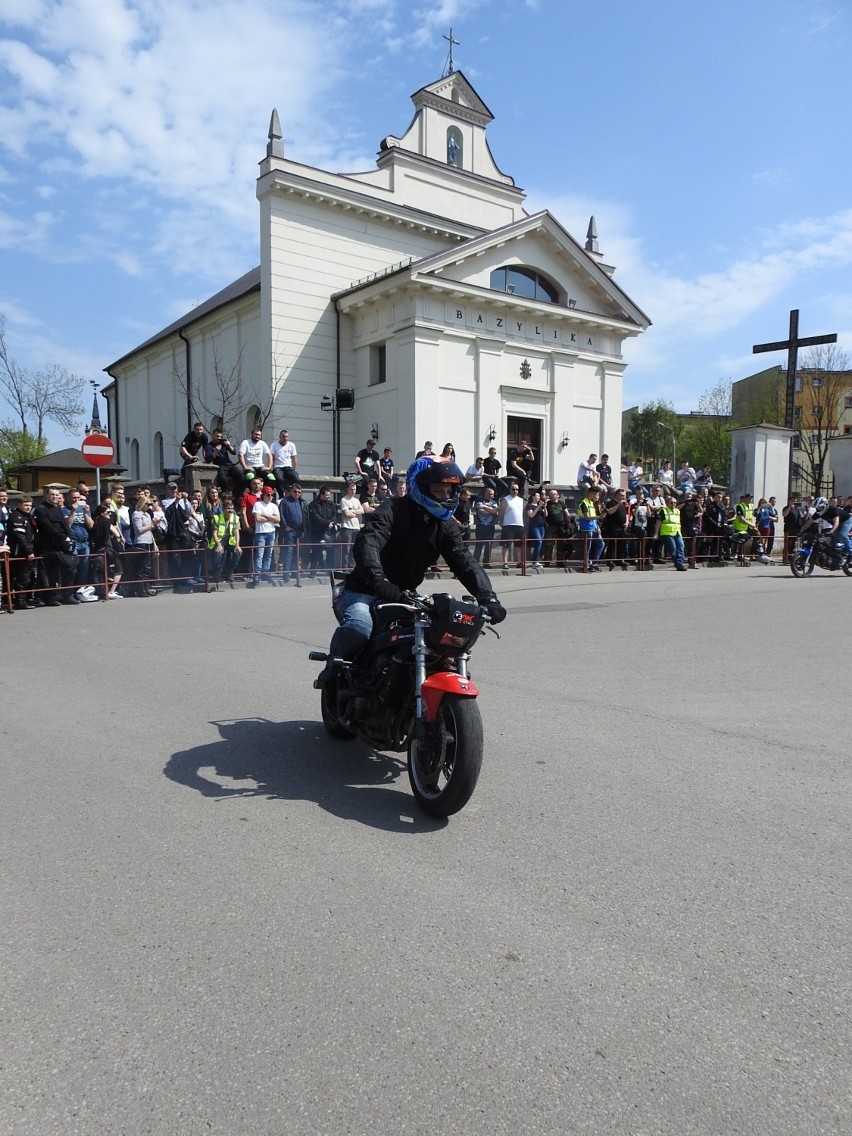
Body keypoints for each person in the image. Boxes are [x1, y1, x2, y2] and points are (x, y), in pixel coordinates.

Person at [314, 458, 506, 689]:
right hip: (365, 590)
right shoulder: (392, 509)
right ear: (421, 488)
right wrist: (378, 579)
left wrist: (488, 597)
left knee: (435, 641)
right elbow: (369, 542)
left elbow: (464, 560)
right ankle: (334, 669)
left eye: (449, 490)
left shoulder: (444, 525)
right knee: (360, 627)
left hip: (404, 596)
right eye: (438, 490)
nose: (445, 496)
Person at [208, 495, 241, 586]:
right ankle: (216, 574)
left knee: (237, 552)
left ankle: (229, 572)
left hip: (230, 541)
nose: (230, 510)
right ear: (223, 509)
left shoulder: (235, 518)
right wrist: (218, 545)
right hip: (219, 541)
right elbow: (214, 533)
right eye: (228, 508)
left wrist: (237, 545)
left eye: (232, 509)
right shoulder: (217, 518)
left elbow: (236, 533)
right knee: (219, 554)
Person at [250, 484, 280, 586]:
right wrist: (272, 518)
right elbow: (258, 519)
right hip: (261, 533)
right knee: (260, 554)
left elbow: (278, 519)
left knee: (269, 553)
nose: (270, 497)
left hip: (271, 531)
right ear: (263, 495)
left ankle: (265, 572)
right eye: (268, 495)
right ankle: (257, 574)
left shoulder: (274, 506)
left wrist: (266, 515)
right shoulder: (258, 505)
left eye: (271, 495)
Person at [278, 482, 308, 583]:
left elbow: (305, 515)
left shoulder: (302, 502)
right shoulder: (285, 501)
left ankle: (295, 573)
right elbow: (281, 515)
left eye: (299, 492)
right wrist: (285, 526)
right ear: (290, 491)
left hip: (300, 530)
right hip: (290, 531)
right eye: (295, 491)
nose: (297, 493)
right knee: (288, 552)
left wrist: (304, 527)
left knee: (297, 553)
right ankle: (286, 574)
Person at [307, 486, 338, 576]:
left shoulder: (332, 504)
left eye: (329, 495)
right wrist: (326, 523)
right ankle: (313, 571)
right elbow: (315, 517)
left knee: (331, 552)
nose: (329, 497)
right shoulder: (313, 504)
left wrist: (332, 523)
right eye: (327, 495)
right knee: (316, 551)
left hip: (329, 532)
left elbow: (335, 515)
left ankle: (330, 571)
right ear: (321, 494)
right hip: (317, 532)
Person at [577, 484, 604, 572]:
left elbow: (593, 516)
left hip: (593, 528)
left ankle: (594, 564)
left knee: (601, 543)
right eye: (595, 494)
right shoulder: (583, 503)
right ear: (590, 493)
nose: (596, 496)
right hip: (586, 528)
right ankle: (587, 565)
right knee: (587, 548)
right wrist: (599, 517)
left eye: (597, 494)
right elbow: (587, 517)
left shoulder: (592, 503)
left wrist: (597, 526)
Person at [498, 482, 525, 569]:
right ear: (510, 490)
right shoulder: (505, 499)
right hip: (508, 525)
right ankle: (505, 562)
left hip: (519, 524)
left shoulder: (521, 500)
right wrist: (500, 522)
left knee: (518, 545)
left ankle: (519, 562)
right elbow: (501, 512)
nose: (515, 491)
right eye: (513, 489)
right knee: (506, 545)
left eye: (517, 489)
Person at [204, 427, 238, 494]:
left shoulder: (223, 444)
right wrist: (216, 451)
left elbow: (234, 452)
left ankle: (237, 493)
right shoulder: (209, 446)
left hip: (229, 464)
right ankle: (225, 493)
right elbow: (208, 460)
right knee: (223, 478)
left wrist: (229, 445)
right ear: (213, 435)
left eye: (220, 436)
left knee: (240, 476)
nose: (219, 438)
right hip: (220, 464)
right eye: (217, 436)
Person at [338, 479, 364, 568]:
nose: (353, 491)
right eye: (352, 489)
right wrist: (354, 512)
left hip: (356, 527)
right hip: (347, 527)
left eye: (355, 489)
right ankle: (345, 567)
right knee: (346, 549)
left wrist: (352, 511)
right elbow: (346, 514)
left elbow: (362, 510)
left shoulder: (356, 500)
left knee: (354, 549)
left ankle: (352, 567)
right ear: (347, 489)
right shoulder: (344, 500)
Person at [659, 492, 687, 570]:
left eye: (675, 502)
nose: (673, 504)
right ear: (667, 503)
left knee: (681, 547)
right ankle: (678, 564)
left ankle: (680, 563)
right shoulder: (664, 510)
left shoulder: (677, 511)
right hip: (667, 533)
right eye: (671, 502)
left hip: (677, 532)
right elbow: (659, 522)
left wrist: (686, 502)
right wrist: (655, 533)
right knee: (673, 549)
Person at [473, 486, 499, 565]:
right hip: (480, 526)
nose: (490, 495)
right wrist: (491, 510)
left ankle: (486, 563)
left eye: (491, 494)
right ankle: (476, 562)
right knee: (479, 545)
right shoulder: (479, 500)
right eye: (488, 493)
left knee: (489, 545)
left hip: (490, 527)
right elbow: (481, 511)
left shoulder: (494, 502)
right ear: (485, 493)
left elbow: (496, 512)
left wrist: (485, 507)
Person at [271, 428, 300, 493]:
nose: (285, 438)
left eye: (286, 436)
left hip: (288, 467)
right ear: (280, 437)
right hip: (278, 467)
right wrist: (271, 468)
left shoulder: (291, 445)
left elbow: (294, 459)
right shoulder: (274, 445)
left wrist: (293, 469)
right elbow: (272, 458)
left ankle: (296, 494)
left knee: (296, 478)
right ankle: (281, 496)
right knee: (279, 479)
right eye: (283, 436)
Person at [525, 491, 546, 568]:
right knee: (539, 541)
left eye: (539, 496)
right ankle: (535, 561)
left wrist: (544, 506)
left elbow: (546, 515)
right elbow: (531, 515)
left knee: (539, 543)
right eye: (537, 496)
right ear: (533, 497)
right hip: (534, 526)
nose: (538, 497)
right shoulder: (530, 505)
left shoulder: (540, 506)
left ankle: (536, 560)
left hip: (542, 526)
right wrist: (538, 507)